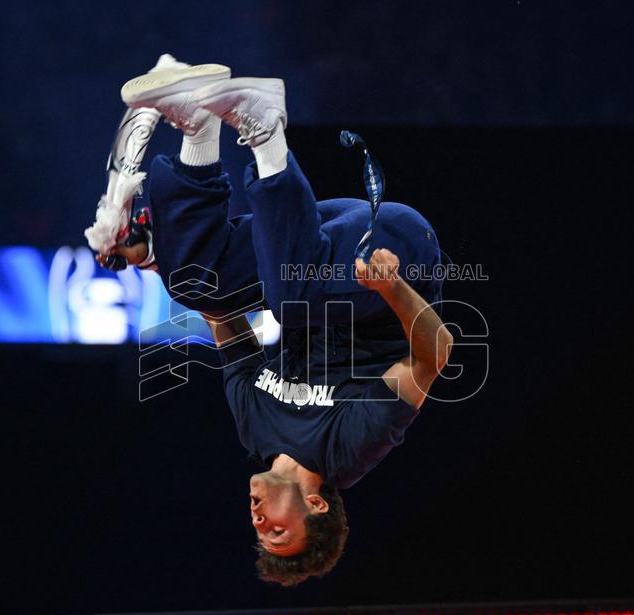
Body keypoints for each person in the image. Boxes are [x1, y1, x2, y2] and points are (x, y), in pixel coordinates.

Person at [87, 55, 453, 586]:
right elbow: (433, 357)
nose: (260, 523)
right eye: (278, 532)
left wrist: (153, 260)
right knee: (292, 299)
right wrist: (392, 286)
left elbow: (222, 318)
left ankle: (196, 127)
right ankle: (262, 127)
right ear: (316, 506)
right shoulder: (347, 452)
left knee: (195, 284)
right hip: (392, 249)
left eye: (260, 534)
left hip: (314, 243)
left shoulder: (254, 430)